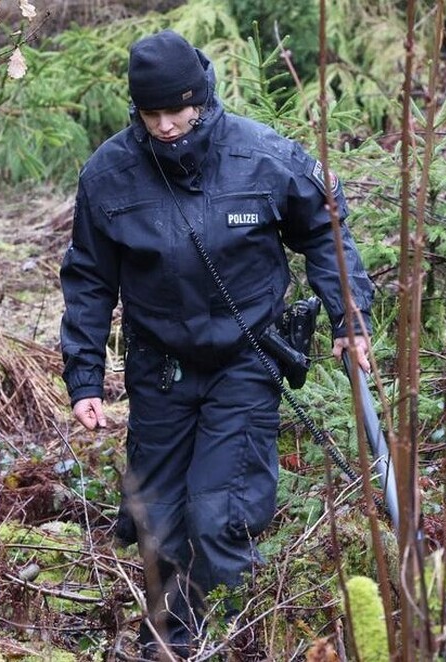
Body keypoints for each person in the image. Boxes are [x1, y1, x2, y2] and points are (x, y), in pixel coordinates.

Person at [59, 31, 374, 657]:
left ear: (201, 99)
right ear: (137, 112)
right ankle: (171, 645)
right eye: (153, 116)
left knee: (219, 516)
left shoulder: (264, 156)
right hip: (160, 369)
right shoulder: (109, 174)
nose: (168, 126)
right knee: (160, 521)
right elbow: (90, 279)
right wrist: (85, 378)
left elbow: (325, 229)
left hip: (245, 360)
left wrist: (349, 318)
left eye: (179, 111)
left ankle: (233, 645)